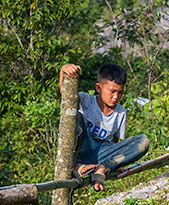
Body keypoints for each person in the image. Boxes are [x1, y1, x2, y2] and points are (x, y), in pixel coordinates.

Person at [59, 63, 149, 191]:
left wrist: (116, 162)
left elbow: (115, 143)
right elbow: (65, 95)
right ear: (99, 88)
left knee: (143, 141)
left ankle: (103, 168)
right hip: (82, 149)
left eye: (120, 93)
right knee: (75, 114)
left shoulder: (121, 112)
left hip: (102, 155)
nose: (116, 97)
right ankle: (78, 165)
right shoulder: (85, 100)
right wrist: (64, 70)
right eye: (112, 91)